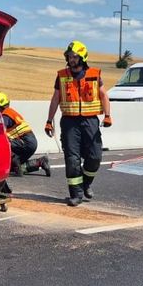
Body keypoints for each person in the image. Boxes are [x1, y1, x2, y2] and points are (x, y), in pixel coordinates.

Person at [44, 40, 112, 207]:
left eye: (75, 56)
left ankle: (86, 183)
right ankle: (76, 194)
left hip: (90, 121)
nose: (72, 59)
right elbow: (55, 99)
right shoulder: (61, 75)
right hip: (69, 122)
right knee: (72, 159)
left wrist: (108, 115)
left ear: (82, 57)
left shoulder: (94, 74)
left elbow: (103, 95)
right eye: (69, 56)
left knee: (95, 157)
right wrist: (49, 121)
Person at [0, 92, 50, 178]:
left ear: (1, 105)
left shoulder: (5, 114)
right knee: (9, 168)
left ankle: (15, 159)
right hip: (28, 142)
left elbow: (0, 131)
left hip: (24, 141)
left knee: (1, 141)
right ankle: (40, 162)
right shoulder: (10, 112)